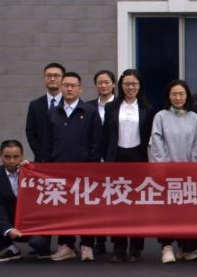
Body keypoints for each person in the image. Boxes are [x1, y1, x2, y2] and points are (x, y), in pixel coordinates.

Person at [42, 71, 102, 262]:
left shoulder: (90, 112)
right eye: (65, 85)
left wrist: (92, 167)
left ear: (80, 88)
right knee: (63, 209)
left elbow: (96, 142)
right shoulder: (53, 112)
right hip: (59, 170)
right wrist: (48, 166)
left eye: (73, 85)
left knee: (86, 209)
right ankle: (66, 245)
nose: (69, 88)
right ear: (60, 88)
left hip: (84, 170)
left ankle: (87, 245)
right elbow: (48, 143)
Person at [101, 69, 156, 263]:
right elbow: (106, 135)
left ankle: (136, 248)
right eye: (127, 84)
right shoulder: (111, 107)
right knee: (118, 204)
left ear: (140, 86)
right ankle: (118, 247)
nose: (130, 87)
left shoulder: (148, 108)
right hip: (117, 157)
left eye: (134, 84)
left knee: (137, 204)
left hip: (138, 157)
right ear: (121, 86)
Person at [150, 80, 197, 263]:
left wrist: (193, 168)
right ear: (168, 96)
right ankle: (166, 246)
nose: (178, 97)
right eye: (174, 94)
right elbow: (156, 143)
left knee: (186, 211)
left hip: (188, 172)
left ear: (187, 96)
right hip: (167, 172)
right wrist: (162, 167)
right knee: (166, 211)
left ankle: (185, 248)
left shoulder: (194, 118)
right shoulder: (161, 117)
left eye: (181, 94)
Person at [0, 140, 51, 262]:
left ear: (22, 156)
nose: (12, 161)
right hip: (13, 223)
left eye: (16, 157)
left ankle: (43, 249)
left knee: (38, 244)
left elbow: (49, 180)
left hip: (34, 224)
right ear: (0, 156)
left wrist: (32, 168)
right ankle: (12, 250)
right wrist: (8, 229)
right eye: (7, 157)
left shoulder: (31, 170)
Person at [85, 69, 115, 256]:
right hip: (94, 158)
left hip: (114, 158)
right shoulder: (88, 106)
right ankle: (99, 240)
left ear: (113, 84)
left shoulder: (120, 105)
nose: (103, 86)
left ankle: (118, 241)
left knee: (115, 201)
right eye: (100, 82)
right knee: (96, 202)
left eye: (107, 82)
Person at [25, 62, 64, 163]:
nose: (52, 78)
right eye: (48, 75)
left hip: (65, 160)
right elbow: (31, 133)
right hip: (42, 160)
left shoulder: (70, 104)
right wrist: (41, 154)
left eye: (56, 75)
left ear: (63, 79)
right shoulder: (35, 105)